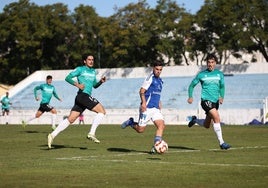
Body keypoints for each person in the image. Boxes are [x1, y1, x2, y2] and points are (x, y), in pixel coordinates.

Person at [47, 54, 106, 149]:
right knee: (102, 111)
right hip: (83, 96)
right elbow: (67, 78)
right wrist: (77, 85)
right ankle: (91, 133)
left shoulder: (93, 71)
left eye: (92, 60)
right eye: (89, 59)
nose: (91, 61)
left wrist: (100, 82)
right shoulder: (80, 69)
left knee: (71, 119)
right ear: (84, 61)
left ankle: (52, 135)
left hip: (82, 97)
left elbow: (94, 85)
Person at [187, 53, 231, 150]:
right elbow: (191, 85)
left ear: (215, 63)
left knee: (207, 125)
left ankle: (195, 120)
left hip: (215, 102)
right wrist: (190, 96)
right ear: (206, 63)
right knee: (216, 117)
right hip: (206, 101)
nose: (210, 64)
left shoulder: (219, 74)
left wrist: (221, 97)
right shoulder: (201, 75)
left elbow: (222, 87)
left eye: (212, 62)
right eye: (208, 62)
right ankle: (222, 143)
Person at [121, 61, 166, 154]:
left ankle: (156, 146)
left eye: (160, 70)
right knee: (140, 130)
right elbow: (142, 91)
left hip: (155, 109)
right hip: (147, 108)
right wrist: (144, 103)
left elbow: (156, 93)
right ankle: (131, 122)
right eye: (157, 69)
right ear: (153, 68)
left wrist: (159, 102)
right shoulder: (150, 78)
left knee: (161, 125)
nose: (158, 71)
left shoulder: (160, 81)